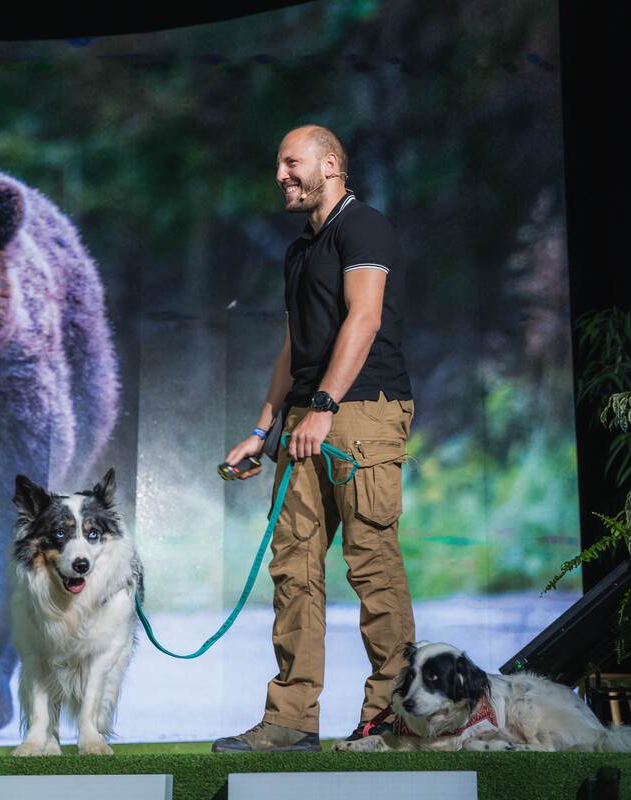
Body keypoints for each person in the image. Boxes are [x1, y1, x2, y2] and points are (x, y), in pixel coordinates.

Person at [212, 125, 416, 752]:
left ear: (330, 165)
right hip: (308, 418)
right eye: (278, 163)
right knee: (294, 568)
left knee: (371, 565)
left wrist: (325, 406)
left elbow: (366, 316)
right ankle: (291, 720)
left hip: (361, 413)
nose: (280, 174)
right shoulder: (301, 248)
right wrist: (262, 427)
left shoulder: (365, 227)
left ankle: (391, 716)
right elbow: (295, 343)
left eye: (290, 162)